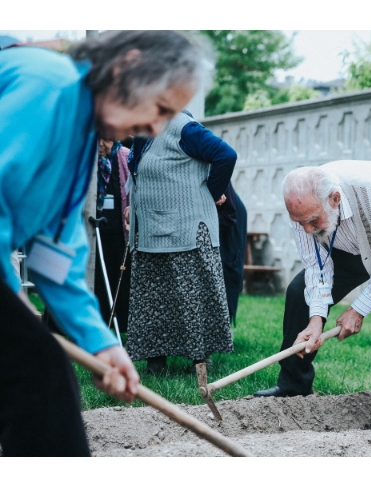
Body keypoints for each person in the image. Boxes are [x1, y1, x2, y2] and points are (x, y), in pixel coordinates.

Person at [0, 30, 211, 456]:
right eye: (160, 109)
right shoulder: (49, 86)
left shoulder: (82, 140)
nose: (154, 128)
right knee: (38, 367)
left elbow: (55, 250)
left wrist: (102, 342)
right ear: (127, 67)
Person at [253, 161, 371, 429]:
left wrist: (358, 309)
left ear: (335, 199)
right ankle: (294, 386)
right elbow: (316, 265)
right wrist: (316, 318)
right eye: (300, 223)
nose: (307, 229)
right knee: (299, 293)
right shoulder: (305, 209)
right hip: (352, 246)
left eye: (312, 221)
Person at [124, 110, 237, 374]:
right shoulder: (142, 132)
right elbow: (142, 172)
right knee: (153, 299)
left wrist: (210, 192)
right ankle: (155, 360)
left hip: (187, 230)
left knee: (192, 296)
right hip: (151, 230)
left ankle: (200, 359)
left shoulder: (181, 126)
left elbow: (226, 155)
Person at [94, 137, 132, 333]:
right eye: (97, 138)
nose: (101, 144)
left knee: (121, 278)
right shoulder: (90, 159)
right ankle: (100, 324)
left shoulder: (125, 156)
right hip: (96, 232)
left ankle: (121, 325)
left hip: (119, 233)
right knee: (99, 279)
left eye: (106, 139)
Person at [216, 181, 247, 327]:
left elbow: (229, 157)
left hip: (229, 217)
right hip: (220, 217)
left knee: (228, 267)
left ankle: (223, 327)